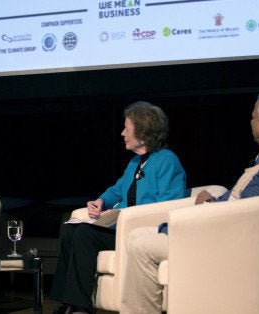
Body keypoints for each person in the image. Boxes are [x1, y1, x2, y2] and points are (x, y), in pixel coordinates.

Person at [121, 89, 259, 314]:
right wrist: (214, 200)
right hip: (224, 231)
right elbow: (240, 198)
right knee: (135, 236)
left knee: (142, 247)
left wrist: (209, 206)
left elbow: (244, 211)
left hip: (227, 240)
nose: (251, 122)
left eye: (253, 117)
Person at [50, 101, 188, 314]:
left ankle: (80, 308)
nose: (122, 133)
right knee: (69, 229)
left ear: (142, 132)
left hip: (141, 232)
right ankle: (66, 302)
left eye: (127, 129)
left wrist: (120, 214)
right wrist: (101, 201)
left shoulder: (167, 161)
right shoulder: (135, 162)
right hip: (120, 227)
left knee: (85, 234)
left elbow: (169, 206)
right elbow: (118, 189)